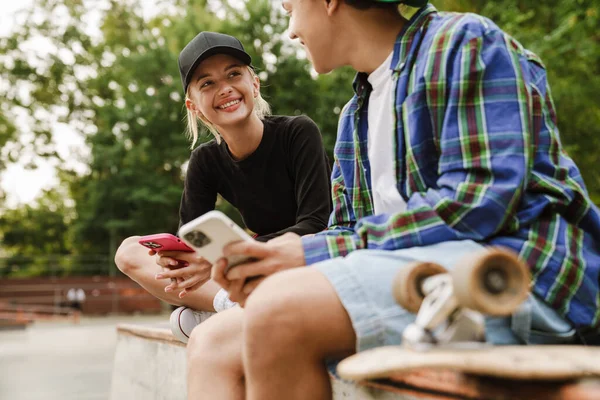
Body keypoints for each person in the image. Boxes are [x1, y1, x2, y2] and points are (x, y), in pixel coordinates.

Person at [185, 1, 600, 399]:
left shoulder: (463, 42)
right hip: (419, 280)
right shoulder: (354, 115)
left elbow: (478, 202)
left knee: (280, 311)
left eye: (291, 11)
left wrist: (308, 251)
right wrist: (279, 257)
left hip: (513, 273)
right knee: (211, 342)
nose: (292, 30)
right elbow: (348, 228)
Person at [114, 31, 332, 342]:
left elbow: (316, 226)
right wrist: (178, 261)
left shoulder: (298, 133)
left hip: (309, 260)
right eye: (208, 83)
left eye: (233, 74)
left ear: (253, 84)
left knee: (199, 291)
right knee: (128, 252)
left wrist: (223, 257)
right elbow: (192, 244)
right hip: (245, 270)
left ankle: (226, 308)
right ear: (194, 106)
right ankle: (232, 305)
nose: (225, 88)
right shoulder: (204, 161)